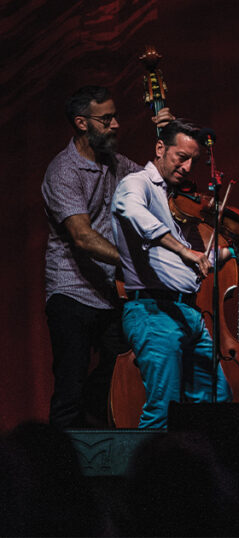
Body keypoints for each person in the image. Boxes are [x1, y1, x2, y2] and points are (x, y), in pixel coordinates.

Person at [112, 120, 239, 428]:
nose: (188, 167)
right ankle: (148, 475)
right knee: (162, 409)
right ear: (160, 148)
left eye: (194, 160)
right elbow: (131, 212)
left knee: (215, 400)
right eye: (181, 156)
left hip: (188, 314)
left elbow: (200, 262)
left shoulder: (172, 198)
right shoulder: (136, 184)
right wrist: (182, 249)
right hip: (154, 311)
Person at [41, 85, 171, 428]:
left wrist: (168, 139)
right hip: (72, 291)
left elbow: (157, 180)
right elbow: (82, 237)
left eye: (115, 117)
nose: (115, 125)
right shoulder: (63, 171)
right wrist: (137, 262)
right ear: (82, 123)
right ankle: (58, 469)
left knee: (118, 373)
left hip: (111, 293)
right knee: (70, 383)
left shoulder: (114, 163)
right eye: (106, 119)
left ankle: (99, 451)